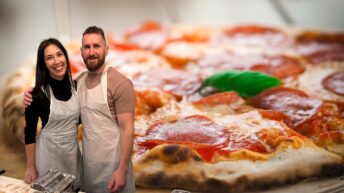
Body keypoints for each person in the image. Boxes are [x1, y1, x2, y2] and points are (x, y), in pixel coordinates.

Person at [24, 26, 136, 193]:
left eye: (96, 46)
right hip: (79, 164)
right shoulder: (78, 83)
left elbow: (128, 129)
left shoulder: (117, 83)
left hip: (109, 164)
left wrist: (122, 169)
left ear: (106, 50)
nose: (91, 52)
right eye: (87, 47)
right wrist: (30, 166)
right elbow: (30, 131)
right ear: (81, 51)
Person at [23, 38, 82, 188]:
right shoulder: (36, 94)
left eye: (59, 54)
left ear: (66, 57)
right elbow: (29, 132)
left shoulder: (77, 87)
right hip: (48, 155)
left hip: (72, 155)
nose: (56, 61)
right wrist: (30, 167)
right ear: (44, 64)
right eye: (49, 58)